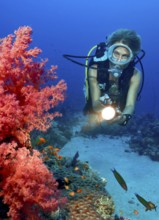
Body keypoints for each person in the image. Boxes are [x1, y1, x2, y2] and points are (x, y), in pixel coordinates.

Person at [83, 29, 142, 127]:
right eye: (116, 53)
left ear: (131, 57)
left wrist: (124, 117)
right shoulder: (95, 68)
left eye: (124, 56)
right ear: (109, 51)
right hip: (99, 104)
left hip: (119, 105)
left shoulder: (135, 75)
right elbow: (95, 104)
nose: (118, 60)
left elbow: (130, 105)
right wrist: (104, 109)